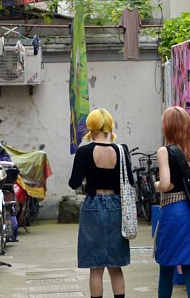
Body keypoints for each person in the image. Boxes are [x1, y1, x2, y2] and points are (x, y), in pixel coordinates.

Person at [68, 108, 134, 298]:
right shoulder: (121, 151)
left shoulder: (84, 152)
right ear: (109, 126)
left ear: (91, 126)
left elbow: (74, 183)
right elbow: (129, 180)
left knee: (96, 268)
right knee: (115, 266)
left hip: (93, 207)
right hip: (116, 206)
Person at [154, 106, 190, 298]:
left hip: (173, 212)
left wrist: (156, 184)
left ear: (168, 127)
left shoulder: (164, 152)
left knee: (166, 266)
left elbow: (166, 184)